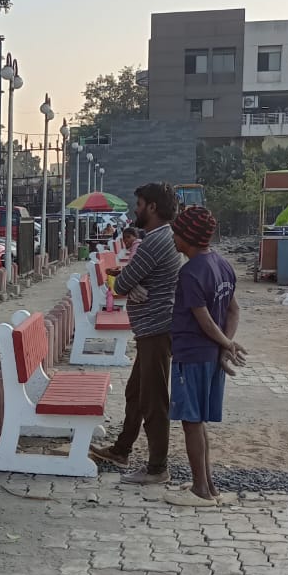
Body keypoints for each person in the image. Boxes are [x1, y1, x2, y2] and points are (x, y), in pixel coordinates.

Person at [89, 183, 181, 484]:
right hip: (151, 329)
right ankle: (121, 449)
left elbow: (121, 282)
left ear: (152, 207)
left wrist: (128, 284)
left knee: (153, 400)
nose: (135, 210)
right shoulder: (162, 238)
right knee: (136, 393)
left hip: (156, 329)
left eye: (139, 204)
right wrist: (130, 284)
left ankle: (157, 468)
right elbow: (127, 281)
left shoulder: (154, 242)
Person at [168, 206, 243, 506]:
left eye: (176, 232)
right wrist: (225, 344)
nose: (173, 237)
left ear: (188, 236)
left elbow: (205, 320)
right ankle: (208, 485)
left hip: (191, 353)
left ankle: (200, 489)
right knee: (198, 421)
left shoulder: (190, 273)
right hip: (210, 355)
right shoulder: (222, 265)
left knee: (191, 421)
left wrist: (226, 343)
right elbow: (233, 311)